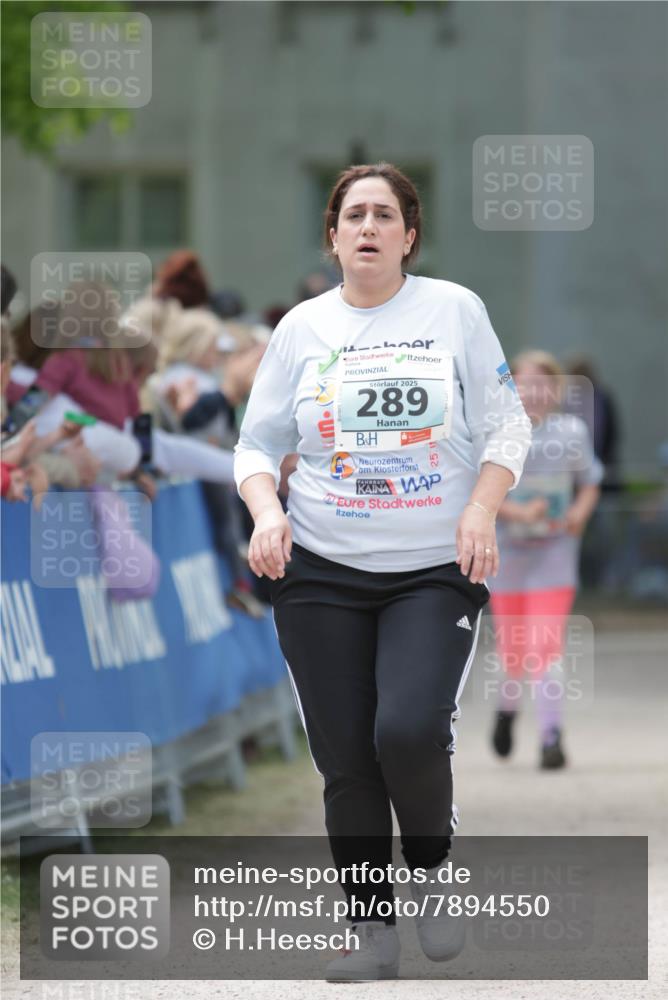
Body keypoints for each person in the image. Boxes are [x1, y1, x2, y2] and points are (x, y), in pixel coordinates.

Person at [233, 163, 532, 981]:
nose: (368, 227)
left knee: (404, 730)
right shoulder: (300, 328)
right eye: (353, 215)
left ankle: (431, 871)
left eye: (384, 215)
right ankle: (372, 933)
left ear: (409, 235)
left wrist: (480, 507)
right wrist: (268, 514)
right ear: (332, 236)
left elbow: (508, 426)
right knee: (347, 760)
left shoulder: (454, 310)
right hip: (321, 571)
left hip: (434, 566)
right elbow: (255, 445)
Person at [488, 350, 602, 769]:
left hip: (554, 558)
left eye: (542, 386)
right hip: (508, 558)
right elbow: (480, 493)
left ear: (556, 392)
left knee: (543, 646)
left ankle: (551, 737)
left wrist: (577, 514)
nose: (533, 394)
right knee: (513, 652)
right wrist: (518, 513)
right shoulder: (496, 431)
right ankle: (506, 712)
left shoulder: (570, 432)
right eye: (523, 385)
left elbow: (590, 482)